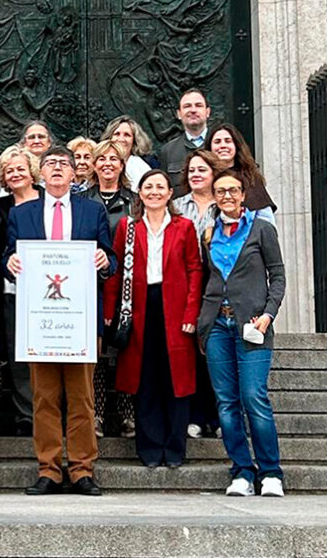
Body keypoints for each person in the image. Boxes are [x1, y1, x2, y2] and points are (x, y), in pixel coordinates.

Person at [4, 146, 115, 496]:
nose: (56, 169)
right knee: (45, 397)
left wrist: (103, 259)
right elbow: (8, 253)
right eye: (50, 164)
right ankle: (49, 468)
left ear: (73, 174)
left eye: (62, 165)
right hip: (41, 321)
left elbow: (109, 257)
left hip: (79, 321)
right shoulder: (23, 214)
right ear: (41, 173)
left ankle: (82, 469)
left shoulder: (92, 211)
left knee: (82, 398)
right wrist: (11, 263)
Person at [103, 170, 203, 468]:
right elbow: (116, 271)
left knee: (176, 380)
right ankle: (148, 449)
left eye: (161, 187)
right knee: (145, 379)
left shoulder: (184, 227)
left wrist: (191, 313)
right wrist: (110, 312)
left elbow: (195, 270)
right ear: (140, 193)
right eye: (149, 187)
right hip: (138, 308)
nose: (155, 192)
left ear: (170, 194)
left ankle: (174, 450)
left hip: (174, 309)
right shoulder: (128, 227)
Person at [197, 170, 286, 497]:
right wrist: (202, 324)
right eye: (220, 191)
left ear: (243, 194)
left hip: (253, 325)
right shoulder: (207, 234)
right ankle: (242, 472)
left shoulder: (261, 230)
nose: (227, 196)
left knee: (253, 396)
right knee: (226, 403)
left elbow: (277, 276)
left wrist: (268, 314)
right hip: (217, 325)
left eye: (233, 190)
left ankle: (271, 472)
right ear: (214, 196)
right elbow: (205, 278)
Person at [78, 137, 135, 439]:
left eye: (114, 159)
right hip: (90, 286)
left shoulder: (134, 200)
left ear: (122, 164)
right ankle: (96, 415)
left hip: (128, 285)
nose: (107, 164)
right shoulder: (82, 200)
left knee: (125, 349)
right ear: (94, 165)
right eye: (102, 159)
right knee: (96, 354)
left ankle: (128, 415)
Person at [0, 146, 42, 436]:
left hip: (49, 288)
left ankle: (49, 412)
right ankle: (26, 414)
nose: (15, 173)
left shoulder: (51, 201)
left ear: (32, 171)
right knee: (18, 352)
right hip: (14, 288)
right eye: (9, 170)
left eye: (20, 168)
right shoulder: (1, 207)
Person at [173, 150, 222, 440]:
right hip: (184, 286)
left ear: (214, 172)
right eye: (191, 170)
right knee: (189, 354)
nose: (196, 174)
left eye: (202, 169)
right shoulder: (177, 206)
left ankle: (216, 417)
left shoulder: (225, 204)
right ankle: (194, 415)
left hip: (217, 287)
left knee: (213, 353)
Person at [205, 123, 277, 224]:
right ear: (210, 147)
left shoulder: (250, 177)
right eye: (217, 142)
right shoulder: (204, 178)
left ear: (236, 145)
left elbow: (266, 219)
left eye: (228, 141)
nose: (223, 145)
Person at [157, 89, 211, 195]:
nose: (193, 110)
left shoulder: (220, 146)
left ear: (208, 112)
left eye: (198, 105)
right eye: (187, 106)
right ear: (179, 114)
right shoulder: (167, 151)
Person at [100, 115, 157, 192]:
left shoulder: (143, 167)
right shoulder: (99, 164)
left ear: (134, 140)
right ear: (109, 138)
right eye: (117, 134)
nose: (121, 139)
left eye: (127, 135)